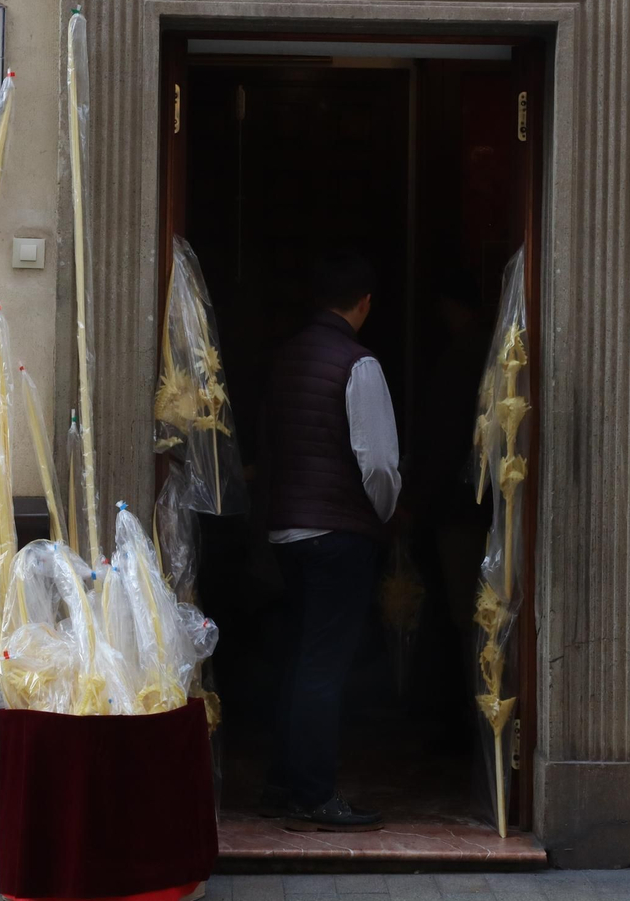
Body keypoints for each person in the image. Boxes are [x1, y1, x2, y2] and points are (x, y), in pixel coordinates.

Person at [261, 249, 400, 832]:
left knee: (298, 659)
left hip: (287, 531)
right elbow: (379, 464)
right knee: (323, 666)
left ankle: (284, 783)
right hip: (338, 533)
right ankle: (315, 792)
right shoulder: (358, 364)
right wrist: (383, 517)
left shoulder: (286, 357)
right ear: (365, 303)